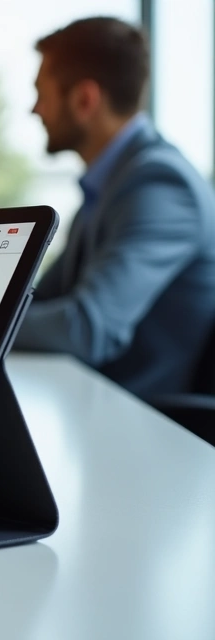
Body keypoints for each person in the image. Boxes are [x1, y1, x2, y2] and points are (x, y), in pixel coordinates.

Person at [14, 17, 215, 397]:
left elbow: (88, 328)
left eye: (42, 93)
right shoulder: (107, 187)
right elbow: (42, 299)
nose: (34, 109)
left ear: (84, 99)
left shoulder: (160, 185)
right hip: (90, 402)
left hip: (144, 426)